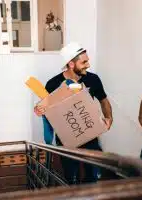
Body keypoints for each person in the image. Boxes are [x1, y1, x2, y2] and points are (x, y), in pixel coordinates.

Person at [34, 42, 113, 184]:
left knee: (92, 176)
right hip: (66, 141)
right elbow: (45, 110)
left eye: (87, 61)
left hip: (90, 136)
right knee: (71, 178)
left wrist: (109, 118)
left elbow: (104, 100)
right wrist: (40, 109)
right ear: (71, 64)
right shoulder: (53, 84)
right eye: (84, 62)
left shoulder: (93, 79)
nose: (88, 65)